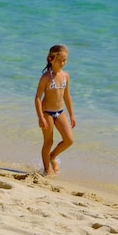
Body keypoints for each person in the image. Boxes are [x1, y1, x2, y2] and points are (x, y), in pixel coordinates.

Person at [34, 44, 75, 176]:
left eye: (65, 60)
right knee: (49, 141)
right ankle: (47, 170)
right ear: (51, 59)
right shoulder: (46, 77)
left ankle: (52, 157)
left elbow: (67, 97)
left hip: (60, 112)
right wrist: (40, 117)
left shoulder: (65, 76)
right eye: (61, 60)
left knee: (69, 140)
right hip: (47, 113)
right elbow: (37, 98)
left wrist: (72, 115)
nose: (63, 63)